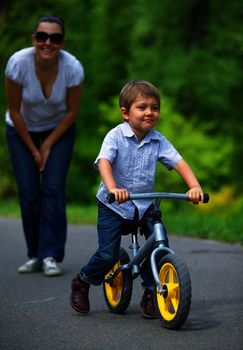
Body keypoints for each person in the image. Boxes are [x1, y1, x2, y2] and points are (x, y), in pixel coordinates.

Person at [70, 80, 204, 318]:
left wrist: (194, 187)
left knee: (159, 245)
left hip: (144, 205)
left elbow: (178, 162)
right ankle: (83, 281)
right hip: (114, 205)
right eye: (142, 107)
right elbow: (104, 162)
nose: (149, 112)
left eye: (154, 107)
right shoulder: (115, 137)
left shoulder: (158, 139)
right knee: (108, 254)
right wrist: (114, 188)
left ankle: (152, 292)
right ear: (125, 112)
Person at [5, 16, 84, 276]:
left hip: (58, 129)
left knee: (53, 189)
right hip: (21, 129)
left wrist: (48, 144)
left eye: (55, 38)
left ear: (62, 42)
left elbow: (72, 112)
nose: (47, 42)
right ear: (34, 39)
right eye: (42, 36)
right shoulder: (18, 63)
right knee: (29, 192)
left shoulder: (73, 68)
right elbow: (14, 112)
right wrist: (33, 149)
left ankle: (50, 254)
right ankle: (35, 255)